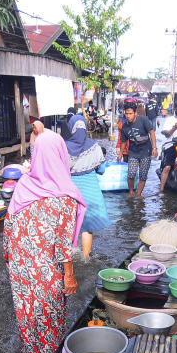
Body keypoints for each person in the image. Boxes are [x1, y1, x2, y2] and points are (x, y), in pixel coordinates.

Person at [4, 130, 86, 353]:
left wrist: (10, 261)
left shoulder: (23, 185)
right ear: (61, 154)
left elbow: (7, 228)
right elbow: (62, 243)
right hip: (47, 270)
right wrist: (69, 275)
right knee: (50, 317)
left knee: (27, 314)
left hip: (19, 267)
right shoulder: (65, 193)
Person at [63, 106, 111, 259]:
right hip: (90, 193)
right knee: (87, 227)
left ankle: (68, 258)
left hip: (70, 192)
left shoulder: (63, 147)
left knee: (69, 225)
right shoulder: (94, 146)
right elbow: (102, 170)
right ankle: (85, 258)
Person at [120, 100, 157, 198]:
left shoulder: (143, 120)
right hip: (133, 152)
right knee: (131, 173)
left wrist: (154, 148)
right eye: (126, 113)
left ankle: (139, 194)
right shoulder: (124, 127)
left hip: (146, 151)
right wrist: (120, 154)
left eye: (130, 114)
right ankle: (131, 192)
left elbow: (152, 132)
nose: (128, 116)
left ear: (135, 113)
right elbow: (123, 142)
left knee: (143, 174)